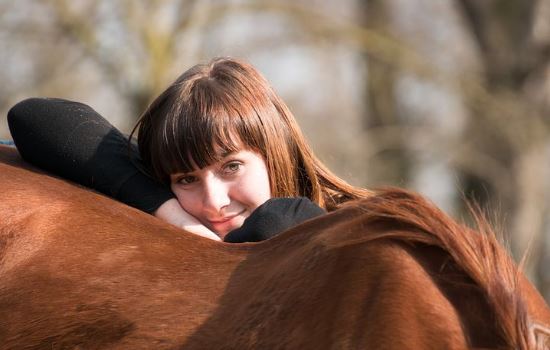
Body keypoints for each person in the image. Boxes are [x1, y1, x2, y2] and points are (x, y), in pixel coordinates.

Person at [8, 57, 371, 242]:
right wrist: (175, 218)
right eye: (186, 178)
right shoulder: (177, 207)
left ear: (275, 150)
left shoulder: (355, 226)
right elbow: (33, 117)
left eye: (231, 167)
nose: (213, 201)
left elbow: (278, 223)